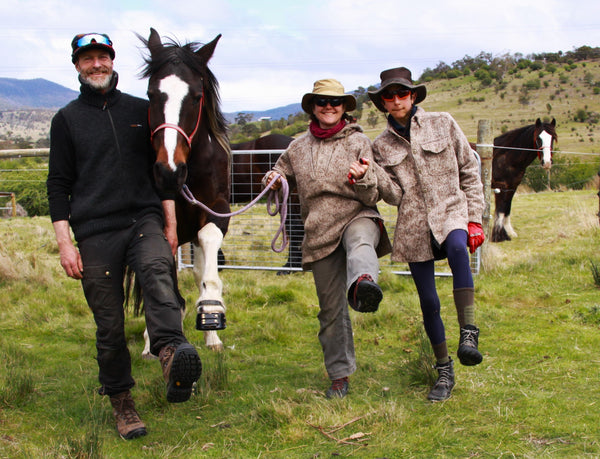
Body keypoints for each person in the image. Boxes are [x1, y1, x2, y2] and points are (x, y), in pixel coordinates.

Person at [46, 33, 202, 439]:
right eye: (88, 59)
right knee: (109, 323)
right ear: (77, 66)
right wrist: (65, 243)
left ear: (112, 62)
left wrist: (169, 223)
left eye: (102, 57)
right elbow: (58, 184)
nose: (96, 64)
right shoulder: (66, 120)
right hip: (94, 231)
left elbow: (161, 168)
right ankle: (122, 403)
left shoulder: (140, 109)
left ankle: (171, 352)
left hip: (143, 219)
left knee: (157, 271)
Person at [263, 79, 391, 398]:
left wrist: (363, 178)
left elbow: (374, 190)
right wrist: (274, 179)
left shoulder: (359, 141)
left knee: (361, 241)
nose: (329, 107)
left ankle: (363, 284)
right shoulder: (297, 147)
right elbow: (278, 172)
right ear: (313, 107)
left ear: (345, 107)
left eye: (335, 102)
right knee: (330, 310)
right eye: (322, 102)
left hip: (357, 213)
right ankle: (339, 375)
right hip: (318, 230)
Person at [366, 67, 485, 401]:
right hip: (413, 224)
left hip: (451, 210)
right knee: (429, 301)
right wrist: (369, 176)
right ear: (383, 103)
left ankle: (469, 333)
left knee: (460, 250)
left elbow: (468, 170)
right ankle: (444, 372)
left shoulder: (443, 122)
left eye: (401, 93)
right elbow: (390, 194)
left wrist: (473, 218)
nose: (396, 100)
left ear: (413, 95)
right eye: (388, 96)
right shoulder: (380, 146)